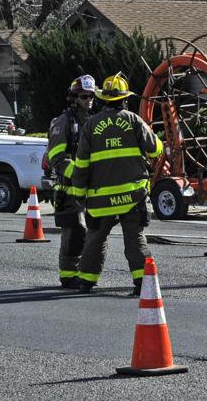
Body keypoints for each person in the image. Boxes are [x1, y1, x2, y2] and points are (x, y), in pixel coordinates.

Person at [71, 72, 163, 295]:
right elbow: (156, 149)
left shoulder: (91, 125)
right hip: (132, 197)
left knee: (95, 240)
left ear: (103, 99)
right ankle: (142, 283)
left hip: (101, 199)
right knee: (134, 239)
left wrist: (78, 193)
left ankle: (86, 280)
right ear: (125, 99)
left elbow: (81, 163)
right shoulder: (133, 120)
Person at [47, 75, 97, 289]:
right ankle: (68, 275)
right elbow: (57, 159)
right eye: (84, 96)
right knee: (75, 231)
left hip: (89, 189)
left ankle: (82, 272)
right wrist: (79, 173)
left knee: (91, 232)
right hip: (68, 188)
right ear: (74, 98)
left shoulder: (92, 120)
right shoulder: (64, 122)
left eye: (91, 96)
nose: (89, 100)